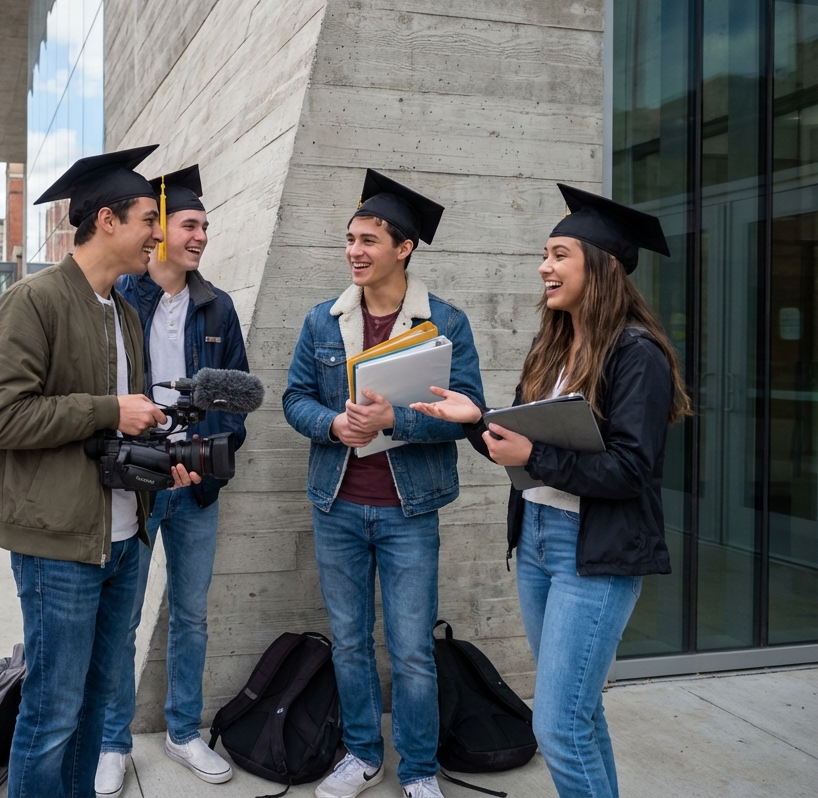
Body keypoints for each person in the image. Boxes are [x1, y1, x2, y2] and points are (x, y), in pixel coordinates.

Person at [411, 184, 691, 798]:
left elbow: (630, 470)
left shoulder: (636, 354)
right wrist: (474, 421)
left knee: (558, 725)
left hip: (592, 554)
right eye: (545, 254)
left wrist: (534, 452)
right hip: (537, 541)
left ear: (603, 267)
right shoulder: (557, 344)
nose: (545, 267)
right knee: (579, 716)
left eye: (559, 254)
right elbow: (519, 445)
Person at [0, 145, 201, 798]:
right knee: (51, 713)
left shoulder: (124, 313)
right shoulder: (33, 302)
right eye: (146, 224)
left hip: (125, 541)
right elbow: (1, 417)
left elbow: (118, 432)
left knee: (97, 707)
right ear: (106, 221)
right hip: (60, 548)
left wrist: (165, 461)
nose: (156, 238)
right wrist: (110, 409)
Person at [282, 170, 484, 798]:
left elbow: (471, 411)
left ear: (405, 249)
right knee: (349, 641)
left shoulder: (444, 321)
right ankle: (364, 755)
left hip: (408, 510)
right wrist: (332, 422)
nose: (355, 252)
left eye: (369, 240)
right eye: (350, 239)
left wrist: (397, 418)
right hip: (337, 505)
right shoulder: (323, 321)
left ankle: (419, 770)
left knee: (412, 650)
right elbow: (293, 399)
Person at [95, 164, 249, 796]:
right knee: (122, 616)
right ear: (158, 230)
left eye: (206, 227)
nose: (201, 237)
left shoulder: (218, 307)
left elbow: (238, 400)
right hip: (133, 484)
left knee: (190, 613)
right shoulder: (122, 300)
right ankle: (110, 740)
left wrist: (208, 456)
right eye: (190, 224)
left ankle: (184, 731)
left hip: (195, 488)